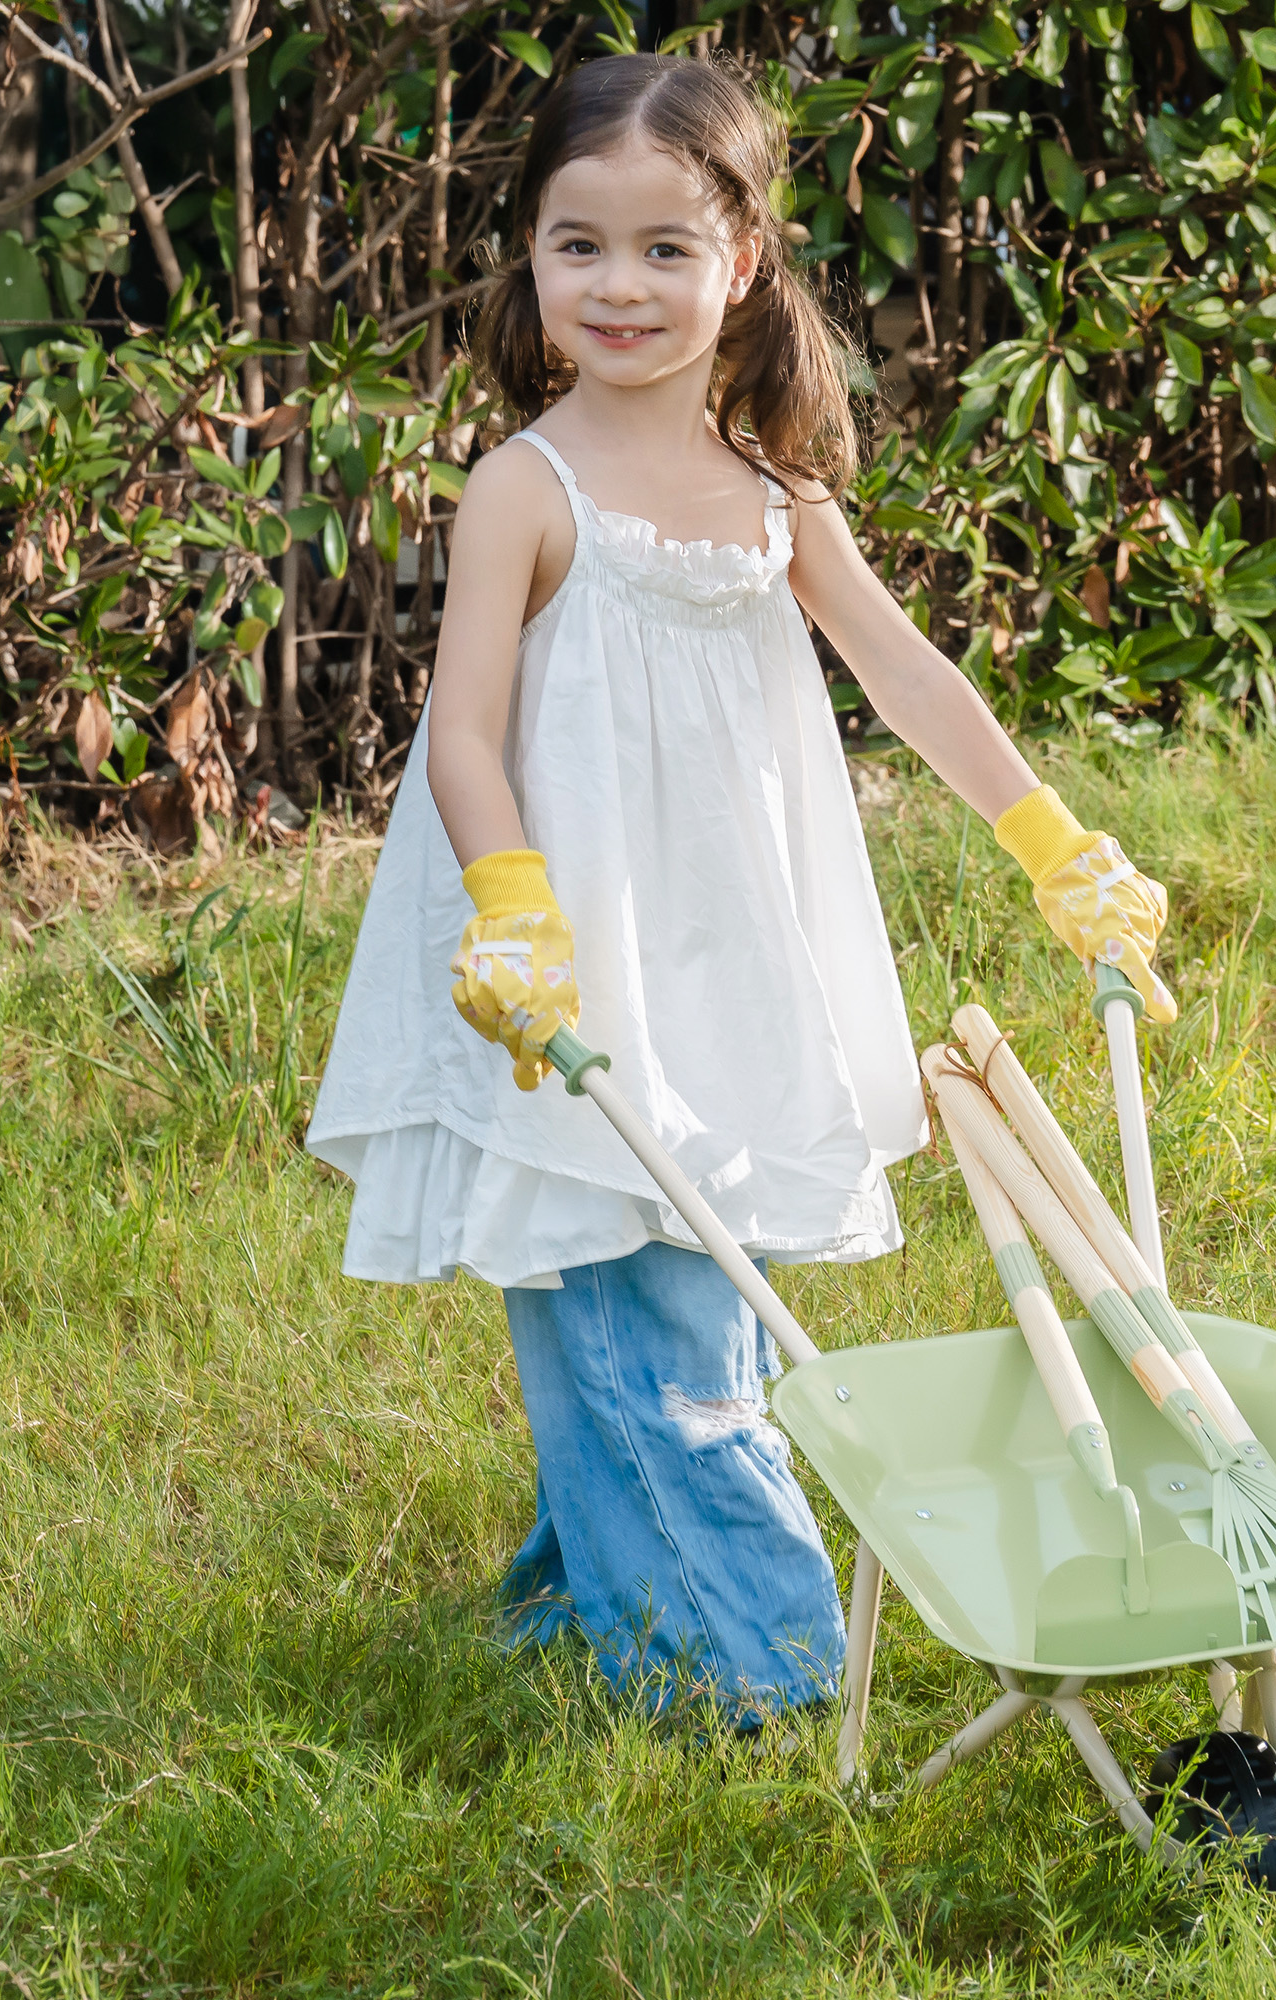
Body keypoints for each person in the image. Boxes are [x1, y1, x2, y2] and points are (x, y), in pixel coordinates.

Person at [307, 52, 1177, 1727]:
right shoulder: (527, 490)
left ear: (745, 263)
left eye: (663, 250)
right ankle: (766, 1677)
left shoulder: (777, 491)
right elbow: (462, 739)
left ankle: (574, 1621)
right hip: (568, 947)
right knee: (642, 1269)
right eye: (578, 247)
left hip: (729, 939)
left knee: (675, 1271)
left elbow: (910, 677)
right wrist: (514, 907)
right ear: (531, 259)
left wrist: (1057, 846)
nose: (618, 288)